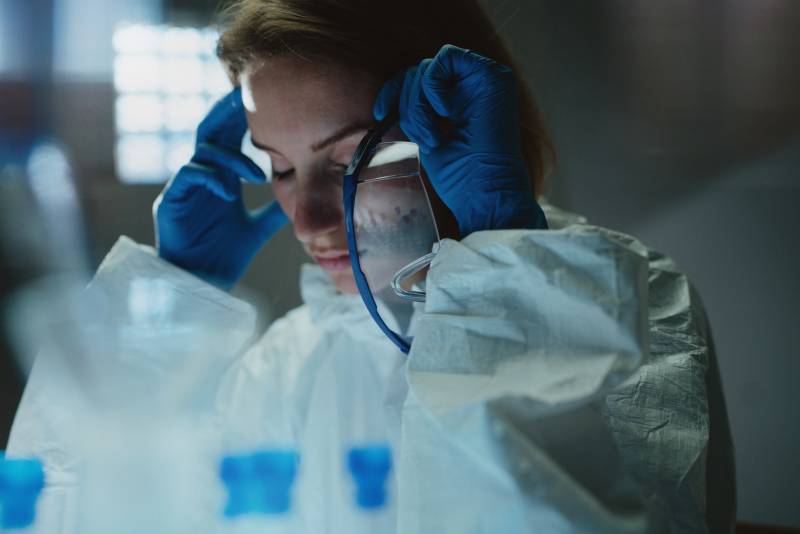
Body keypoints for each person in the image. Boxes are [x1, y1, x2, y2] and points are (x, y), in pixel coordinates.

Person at [6, 0, 735, 532]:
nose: (309, 217)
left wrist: (506, 273)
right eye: (280, 169)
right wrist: (160, 312)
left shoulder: (628, 300)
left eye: (353, 160)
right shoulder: (289, 358)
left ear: (464, 132)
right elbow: (52, 515)